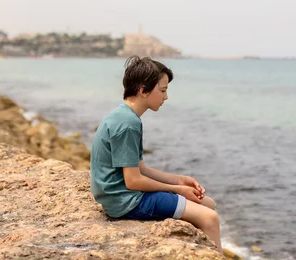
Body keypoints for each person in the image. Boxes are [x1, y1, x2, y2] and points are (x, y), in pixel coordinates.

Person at [90, 55, 221, 251]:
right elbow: (133, 181)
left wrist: (178, 180)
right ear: (143, 90)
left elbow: (139, 168)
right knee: (210, 218)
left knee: (207, 203)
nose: (166, 97)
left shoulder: (123, 114)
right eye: (162, 90)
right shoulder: (128, 124)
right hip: (126, 202)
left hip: (119, 197)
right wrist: (178, 190)